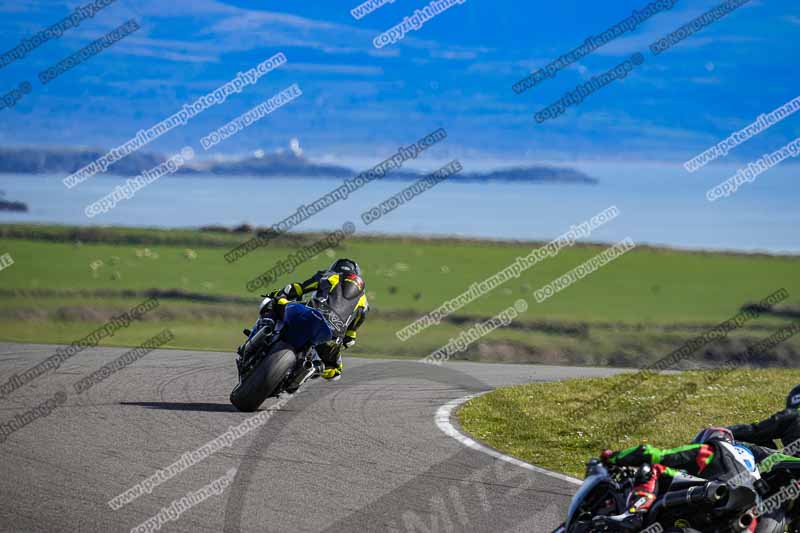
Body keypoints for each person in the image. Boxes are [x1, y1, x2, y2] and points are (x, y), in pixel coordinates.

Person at [598, 427, 800, 532]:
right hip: (751, 511)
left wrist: (614, 457)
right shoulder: (753, 458)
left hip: (720, 493)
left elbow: (657, 454)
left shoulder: (710, 449)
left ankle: (634, 514)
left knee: (654, 469)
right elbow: (786, 459)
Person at [239, 258, 368, 381]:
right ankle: (308, 371)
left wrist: (283, 293)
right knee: (334, 372)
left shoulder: (331, 275)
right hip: (333, 335)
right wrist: (344, 340)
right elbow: (351, 337)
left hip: (312, 313)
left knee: (274, 303)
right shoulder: (364, 300)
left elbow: (299, 288)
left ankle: (260, 336)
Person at [728, 385, 800, 453]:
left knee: (758, 442)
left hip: (794, 463)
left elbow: (756, 432)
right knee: (767, 443)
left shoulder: (793, 415)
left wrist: (724, 431)